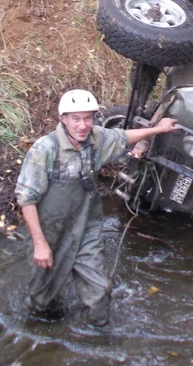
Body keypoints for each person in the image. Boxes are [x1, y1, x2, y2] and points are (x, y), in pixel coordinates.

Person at [16, 89, 179, 326]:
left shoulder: (96, 138)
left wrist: (159, 129)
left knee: (101, 289)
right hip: (50, 233)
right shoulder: (45, 150)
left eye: (88, 118)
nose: (82, 125)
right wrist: (40, 244)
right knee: (42, 298)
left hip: (85, 229)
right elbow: (26, 199)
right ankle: (42, 333)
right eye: (76, 118)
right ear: (63, 119)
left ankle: (99, 339)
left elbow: (123, 137)